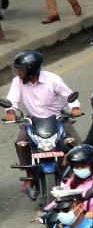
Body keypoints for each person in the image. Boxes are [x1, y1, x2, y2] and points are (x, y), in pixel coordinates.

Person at [7, 49, 82, 195]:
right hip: (33, 121)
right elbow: (12, 100)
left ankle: (88, 175)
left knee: (80, 146)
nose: (17, 72)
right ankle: (30, 175)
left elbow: (70, 96)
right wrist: (11, 112)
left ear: (31, 70)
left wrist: (75, 108)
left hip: (58, 119)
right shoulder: (18, 82)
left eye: (20, 70)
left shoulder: (52, 79)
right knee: (20, 142)